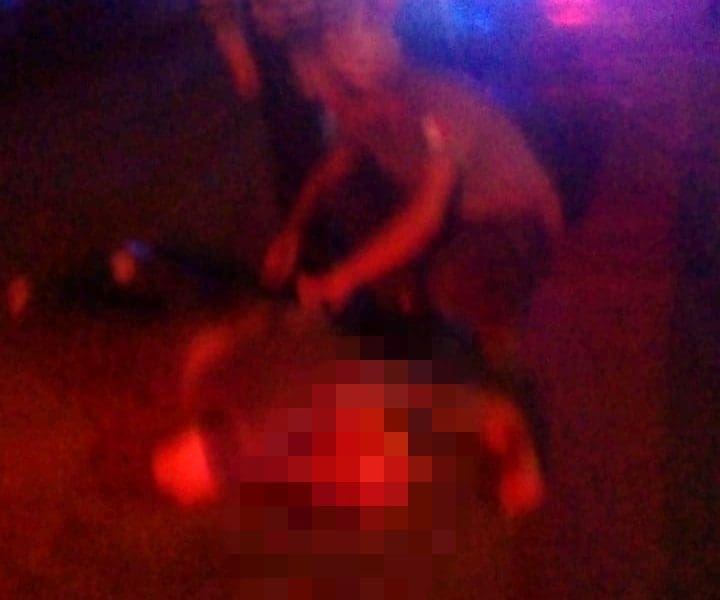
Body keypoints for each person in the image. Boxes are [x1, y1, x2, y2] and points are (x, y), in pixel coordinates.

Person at [262, 13, 563, 371]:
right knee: (347, 193)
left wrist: (341, 280)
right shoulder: (363, 116)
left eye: (332, 98)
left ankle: (499, 363)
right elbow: (327, 174)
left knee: (451, 280)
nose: (330, 110)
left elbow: (426, 216)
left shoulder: (438, 104)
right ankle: (406, 305)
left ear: (361, 86)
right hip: (453, 219)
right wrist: (293, 229)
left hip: (514, 221)